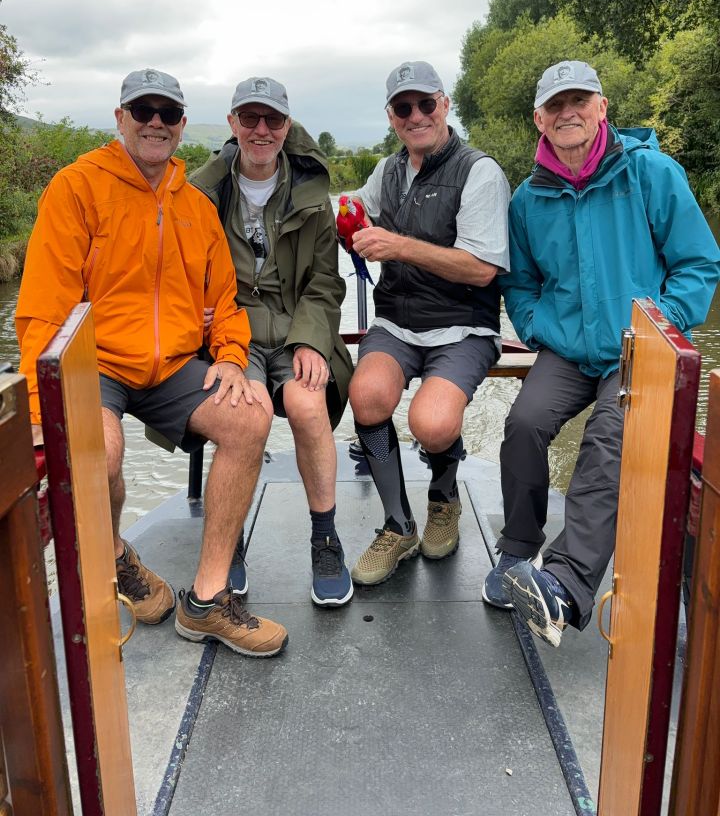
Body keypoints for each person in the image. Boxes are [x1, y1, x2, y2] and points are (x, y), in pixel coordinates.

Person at [16, 68, 288, 658]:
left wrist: (235, 359)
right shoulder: (76, 188)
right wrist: (44, 409)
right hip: (97, 365)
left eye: (168, 113)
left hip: (169, 368)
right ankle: (115, 554)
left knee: (250, 416)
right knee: (100, 450)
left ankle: (208, 600)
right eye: (143, 111)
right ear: (120, 119)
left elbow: (225, 303)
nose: (156, 123)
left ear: (183, 124)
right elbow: (41, 314)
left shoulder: (195, 206)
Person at [483, 59, 720, 647]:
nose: (569, 113)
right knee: (524, 424)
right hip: (566, 349)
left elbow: (698, 263)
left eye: (579, 101)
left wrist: (659, 328)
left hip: (636, 347)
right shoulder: (528, 199)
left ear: (601, 108)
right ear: (539, 119)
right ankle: (517, 551)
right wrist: (538, 327)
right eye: (556, 106)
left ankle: (565, 583)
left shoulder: (651, 174)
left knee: (610, 434)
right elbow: (520, 283)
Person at [189, 76, 354, 607]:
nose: (262, 130)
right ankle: (227, 537)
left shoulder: (313, 195)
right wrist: (199, 313)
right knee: (242, 410)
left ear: (287, 127)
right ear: (233, 124)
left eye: (273, 120)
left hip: (293, 329)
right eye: (250, 119)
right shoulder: (200, 193)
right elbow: (178, 273)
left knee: (307, 406)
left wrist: (311, 341)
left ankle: (325, 538)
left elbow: (326, 282)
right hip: (231, 333)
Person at [346, 60, 510, 584]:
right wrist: (343, 217)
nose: (415, 116)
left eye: (425, 104)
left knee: (432, 424)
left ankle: (443, 498)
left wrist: (397, 246)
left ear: (445, 104)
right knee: (365, 396)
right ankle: (397, 526)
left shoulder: (479, 171)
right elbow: (358, 211)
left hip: (463, 325)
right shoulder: (388, 170)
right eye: (403, 108)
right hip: (397, 321)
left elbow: (482, 269)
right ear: (392, 117)